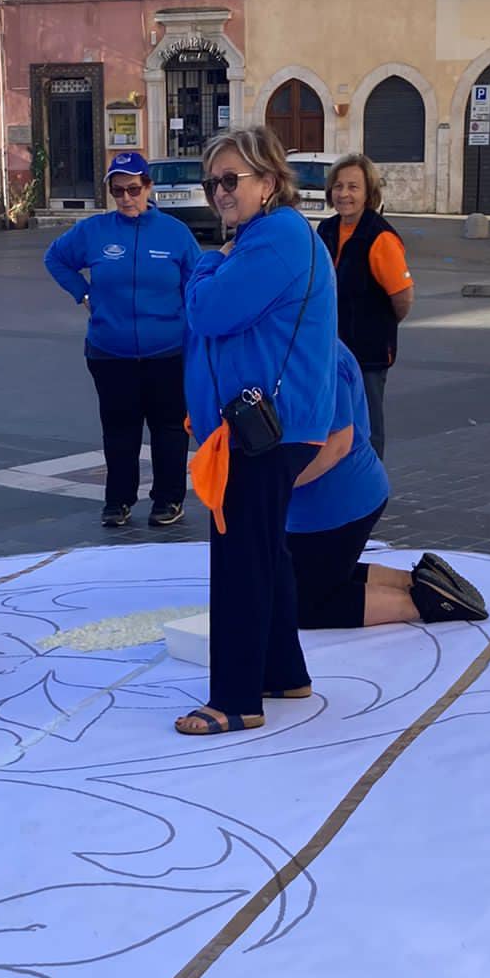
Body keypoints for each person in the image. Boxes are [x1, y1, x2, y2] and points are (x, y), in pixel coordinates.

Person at [177, 125, 337, 736]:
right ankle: (282, 671)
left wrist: (202, 268)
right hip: (269, 425)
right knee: (263, 548)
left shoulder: (272, 240)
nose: (218, 191)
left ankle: (237, 699)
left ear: (269, 182)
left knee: (240, 556)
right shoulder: (268, 237)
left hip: (265, 427)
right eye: (211, 181)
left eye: (230, 180)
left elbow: (210, 312)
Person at [44, 150, 200, 529]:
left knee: (168, 430)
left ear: (148, 187)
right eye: (118, 192)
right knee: (119, 429)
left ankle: (168, 500)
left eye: (133, 189)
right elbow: (55, 257)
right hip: (110, 352)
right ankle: (117, 502)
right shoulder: (94, 231)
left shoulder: (175, 234)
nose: (126, 199)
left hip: (167, 352)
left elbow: (198, 285)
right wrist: (82, 294)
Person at [287, 341, 479, 628]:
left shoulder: (319, 355)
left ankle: (427, 601)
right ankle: (418, 581)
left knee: (306, 604)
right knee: (296, 574)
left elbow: (337, 443)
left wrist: (270, 488)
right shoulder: (303, 344)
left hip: (334, 503)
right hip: (326, 500)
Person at [317, 154, 413, 461]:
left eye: (353, 187)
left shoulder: (380, 236)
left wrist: (377, 324)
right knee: (332, 423)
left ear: (368, 192)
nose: (344, 194)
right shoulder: (326, 230)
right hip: (330, 349)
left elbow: (402, 298)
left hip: (368, 353)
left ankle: (369, 493)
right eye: (339, 186)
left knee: (367, 425)